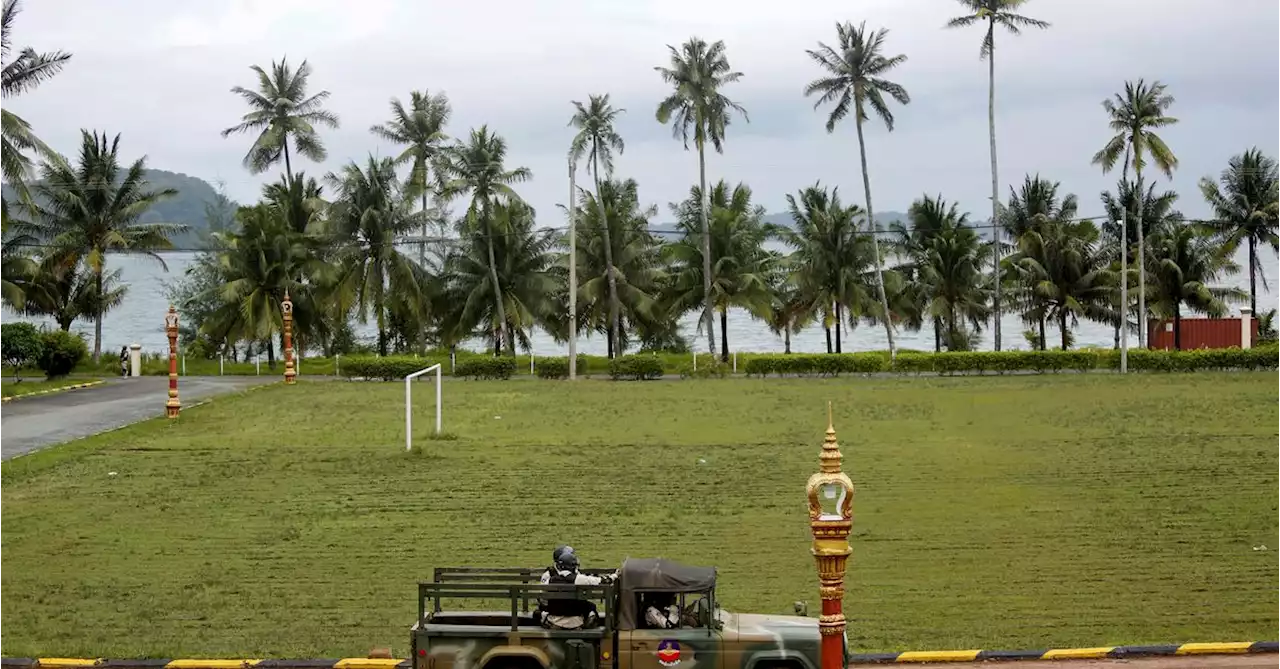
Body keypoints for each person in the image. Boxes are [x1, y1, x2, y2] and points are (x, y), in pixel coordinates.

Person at [538, 549, 616, 630]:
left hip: (554, 622)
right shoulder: (579, 578)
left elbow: (542, 599)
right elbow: (603, 581)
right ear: (573, 566)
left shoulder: (549, 581)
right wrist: (615, 575)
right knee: (589, 606)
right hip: (576, 622)